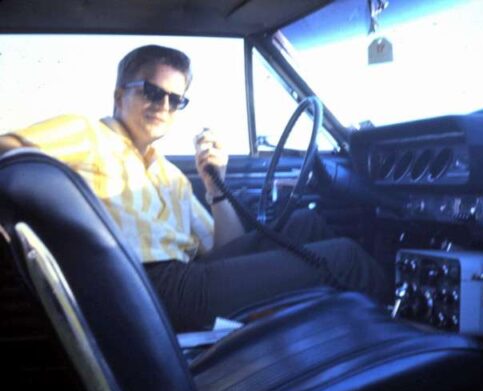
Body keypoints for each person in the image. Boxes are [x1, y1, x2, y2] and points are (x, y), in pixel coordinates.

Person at [0, 45, 389, 331]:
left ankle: (351, 336)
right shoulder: (88, 133)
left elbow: (223, 248)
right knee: (346, 258)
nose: (163, 106)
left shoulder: (169, 174)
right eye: (152, 91)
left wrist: (214, 182)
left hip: (189, 276)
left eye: (175, 99)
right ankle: (409, 338)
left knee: (305, 223)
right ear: (119, 95)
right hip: (148, 287)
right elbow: (7, 152)